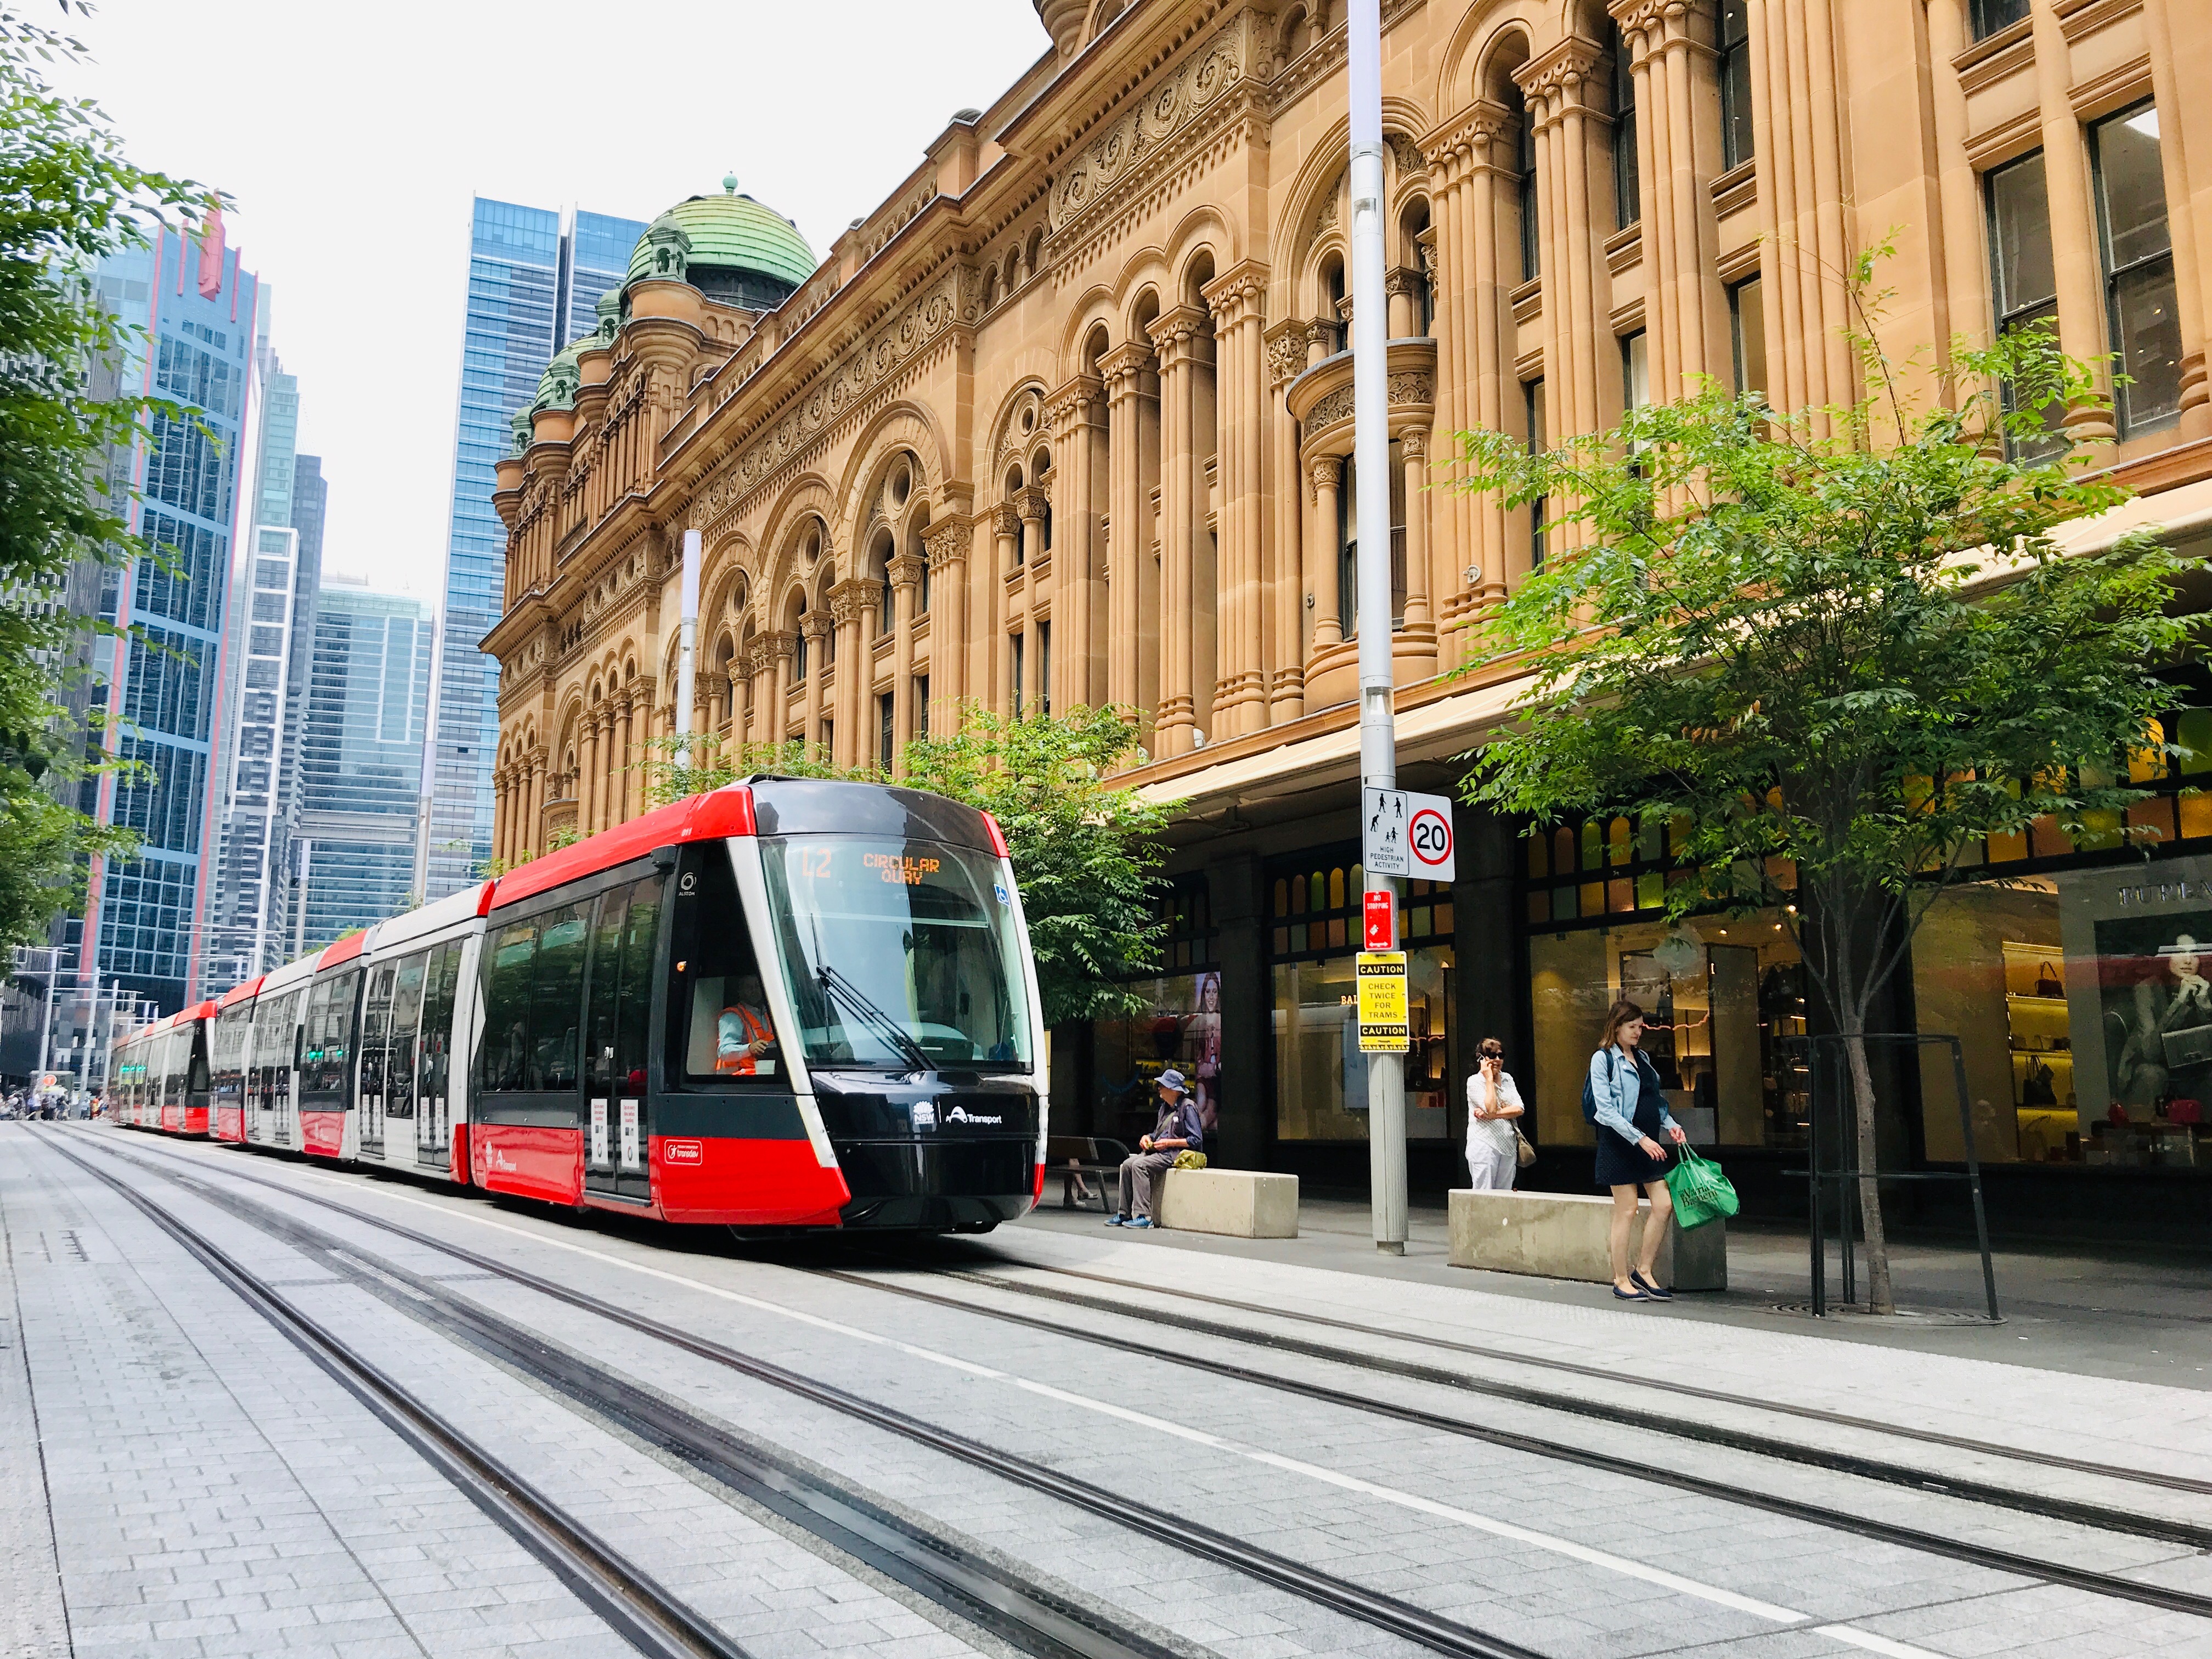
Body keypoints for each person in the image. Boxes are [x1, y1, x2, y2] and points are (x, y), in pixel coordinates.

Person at [1589, 998, 1686, 1301]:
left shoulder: (1643, 1058)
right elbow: (1604, 1110)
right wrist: (1640, 1138)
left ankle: (1643, 1270)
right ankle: (1620, 1278)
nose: (1638, 1032)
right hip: (1621, 1143)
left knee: (1663, 1205)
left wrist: (1670, 1123)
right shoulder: (1603, 1059)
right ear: (1616, 1027)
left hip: (1647, 1142)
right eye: (1632, 1027)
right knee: (1627, 1210)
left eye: (1640, 1027)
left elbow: (1654, 1100)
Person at [1109, 1069, 1203, 1229]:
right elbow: (1158, 1132)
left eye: (1163, 1085)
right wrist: (1149, 1138)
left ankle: (1144, 1215)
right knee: (1127, 1165)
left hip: (1174, 1154)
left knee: (1140, 1166)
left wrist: (1168, 1143)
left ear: (1174, 1090)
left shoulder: (1188, 1108)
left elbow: (1196, 1139)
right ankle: (1123, 1213)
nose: (1159, 1088)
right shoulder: (1164, 1108)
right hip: (1160, 1151)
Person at [1464, 1037, 1525, 1190]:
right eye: (1492, 1056)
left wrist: (1492, 1115)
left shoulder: (1508, 1079)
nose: (1497, 1060)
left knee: (1504, 1196)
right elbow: (1491, 1107)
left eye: (1501, 1055)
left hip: (1508, 1145)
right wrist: (1489, 1079)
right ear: (1481, 1058)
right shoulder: (1474, 1082)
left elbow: (1519, 1109)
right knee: (1484, 1194)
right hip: (1484, 1144)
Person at [716, 971, 780, 1075]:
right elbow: (724, 1051)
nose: (754, 991)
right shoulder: (732, 1016)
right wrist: (750, 1049)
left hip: (769, 1074)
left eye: (757, 986)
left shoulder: (771, 1013)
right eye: (749, 987)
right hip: (741, 1082)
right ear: (740, 991)